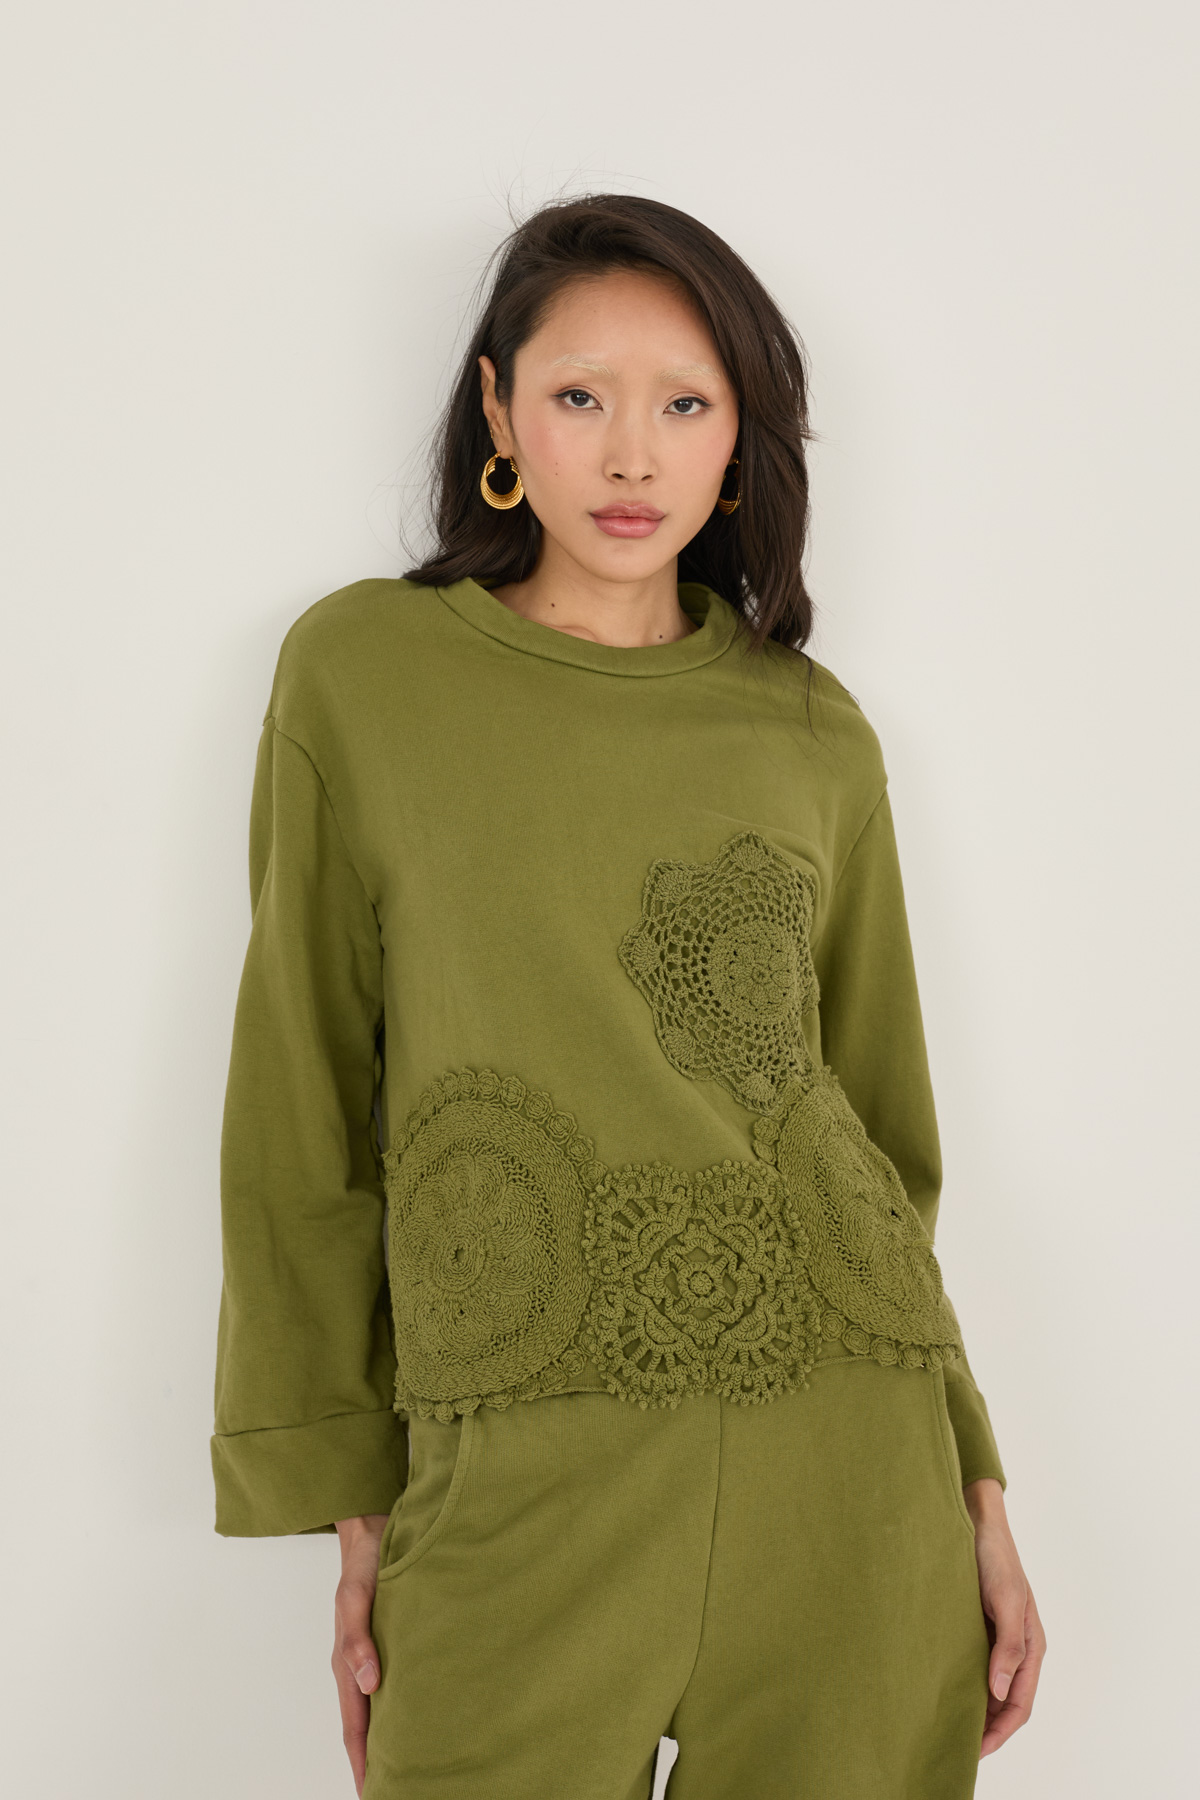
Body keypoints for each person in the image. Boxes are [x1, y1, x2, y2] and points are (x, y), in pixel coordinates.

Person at [211, 193, 1045, 1799]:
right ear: (498, 409)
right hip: (521, 1478)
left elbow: (880, 1148)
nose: (631, 456)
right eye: (581, 395)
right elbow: (299, 1102)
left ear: (741, 441)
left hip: (850, 1478)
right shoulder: (361, 677)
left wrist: (976, 1482)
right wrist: (355, 1508)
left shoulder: (814, 733)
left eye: (686, 405)